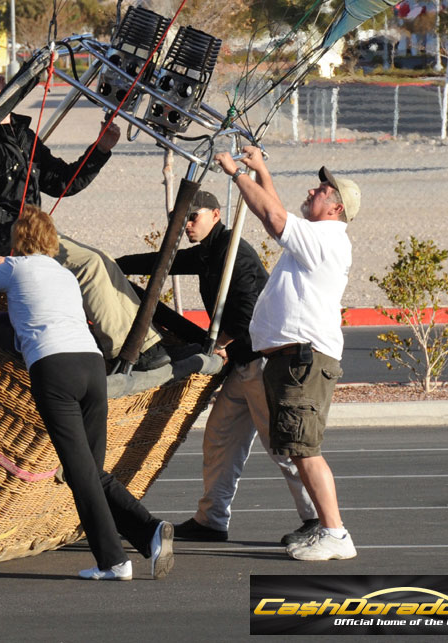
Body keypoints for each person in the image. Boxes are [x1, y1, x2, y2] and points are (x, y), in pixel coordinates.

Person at [0, 205, 175, 581]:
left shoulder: (15, 267)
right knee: (91, 471)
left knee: (79, 474)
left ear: (20, 238)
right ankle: (149, 532)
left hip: (55, 369)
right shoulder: (65, 275)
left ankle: (113, 561)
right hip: (91, 366)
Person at [117, 191, 319, 544]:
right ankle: (211, 520)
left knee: (283, 447)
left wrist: (220, 344)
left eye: (193, 218)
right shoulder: (210, 252)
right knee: (220, 440)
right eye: (182, 220)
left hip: (262, 365)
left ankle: (316, 519)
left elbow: (248, 313)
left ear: (215, 213)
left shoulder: (235, 256)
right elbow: (165, 262)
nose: (187, 225)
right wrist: (116, 264)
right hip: (242, 368)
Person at [0, 58, 169, 371]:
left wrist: (100, 150)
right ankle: (126, 352)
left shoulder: (23, 136)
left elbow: (62, 182)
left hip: (33, 236)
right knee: (88, 265)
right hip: (7, 242)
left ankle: (143, 342)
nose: (1, 79)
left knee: (102, 258)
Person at [215, 147, 360, 561]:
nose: (314, 189)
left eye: (323, 188)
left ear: (336, 207)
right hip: (293, 359)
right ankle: (325, 528)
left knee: (305, 449)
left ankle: (335, 533)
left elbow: (274, 218)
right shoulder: (315, 238)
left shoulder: (327, 238)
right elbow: (276, 211)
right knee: (299, 448)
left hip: (305, 359)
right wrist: (261, 170)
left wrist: (236, 174)